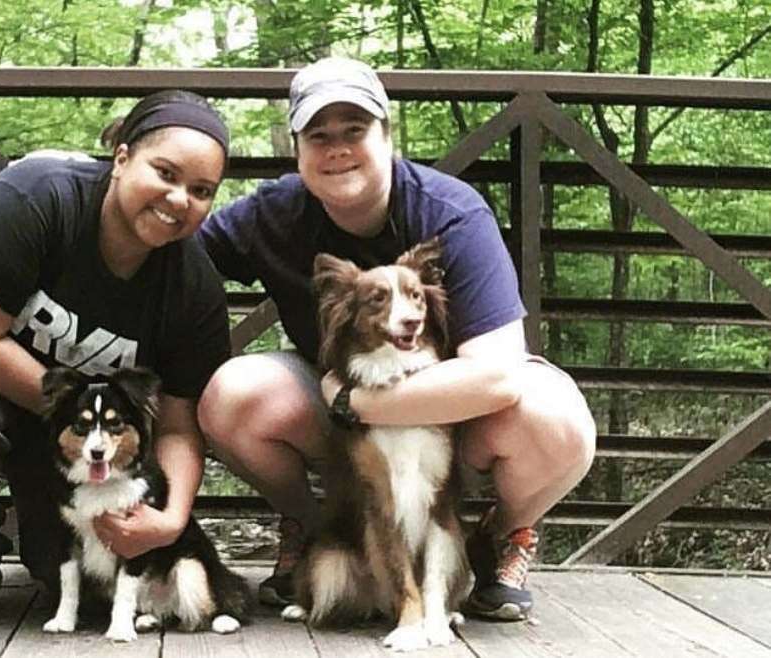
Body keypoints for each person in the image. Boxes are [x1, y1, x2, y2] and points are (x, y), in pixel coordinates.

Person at [196, 57, 596, 621]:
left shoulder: (450, 213)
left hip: (453, 408)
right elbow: (173, 255)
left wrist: (354, 401)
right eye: (319, 135)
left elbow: (499, 373)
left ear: (388, 137)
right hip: (341, 411)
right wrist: (89, 203)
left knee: (558, 424)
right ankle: (323, 535)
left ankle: (497, 537)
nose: (336, 148)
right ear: (298, 150)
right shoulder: (272, 212)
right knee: (232, 395)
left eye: (354, 130)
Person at [0, 90, 232, 624]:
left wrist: (170, 519)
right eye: (165, 173)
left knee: (61, 574)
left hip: (81, 433)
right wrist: (71, 413)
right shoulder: (35, 195)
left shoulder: (193, 286)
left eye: (201, 191)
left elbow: (177, 426)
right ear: (122, 157)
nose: (180, 199)